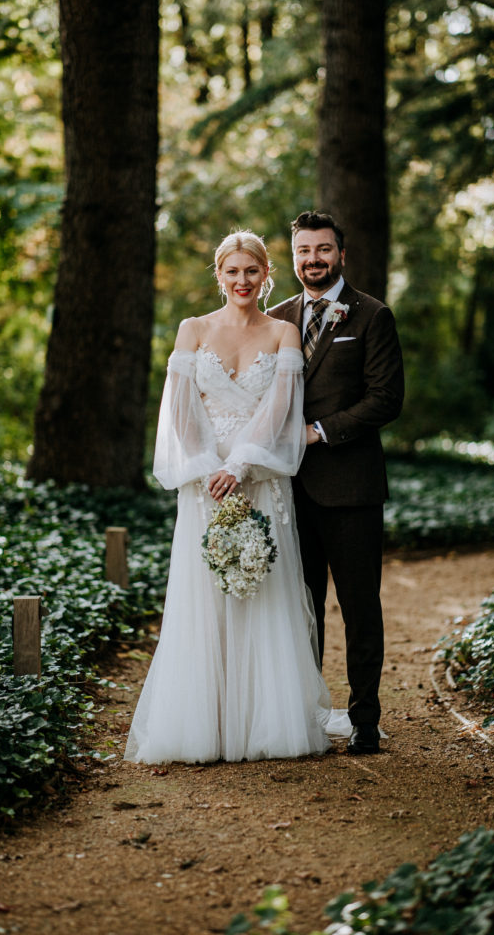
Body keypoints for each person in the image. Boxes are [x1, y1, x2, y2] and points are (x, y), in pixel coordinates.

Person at [125, 230, 336, 764]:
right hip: (203, 488)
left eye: (252, 271)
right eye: (232, 271)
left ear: (267, 276)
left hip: (261, 481)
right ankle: (206, 723)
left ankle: (264, 721)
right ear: (218, 275)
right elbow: (180, 411)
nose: (242, 281)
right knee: (206, 596)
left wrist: (240, 468)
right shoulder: (192, 330)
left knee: (263, 593)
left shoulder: (284, 334)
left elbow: (280, 414)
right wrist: (209, 471)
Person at [268, 211, 404, 755]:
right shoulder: (275, 319)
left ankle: (365, 721)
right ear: (294, 257)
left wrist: (319, 432)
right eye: (304, 252)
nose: (314, 260)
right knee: (300, 610)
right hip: (287, 492)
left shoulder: (372, 316)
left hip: (351, 491)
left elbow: (385, 399)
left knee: (359, 608)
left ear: (341, 255)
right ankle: (305, 717)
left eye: (323, 250)